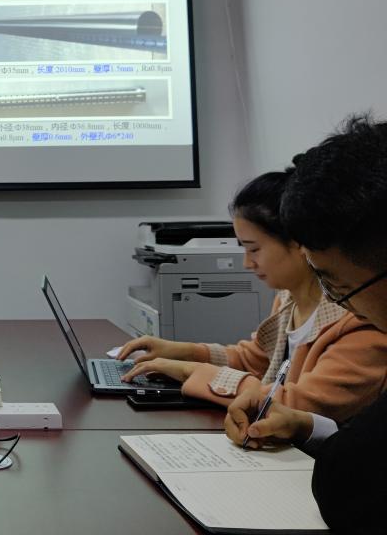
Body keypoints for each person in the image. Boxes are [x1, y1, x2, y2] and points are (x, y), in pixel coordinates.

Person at [223, 116, 387, 534]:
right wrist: (306, 426)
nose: (339, 301)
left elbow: (351, 480)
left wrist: (196, 374)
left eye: (339, 285)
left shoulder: (362, 328)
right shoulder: (292, 300)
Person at [117, 170, 387, 421]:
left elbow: (295, 404)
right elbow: (253, 360)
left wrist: (193, 371)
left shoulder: (361, 318)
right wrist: (182, 352)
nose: (247, 263)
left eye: (254, 249)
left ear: (298, 242)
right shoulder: (288, 299)